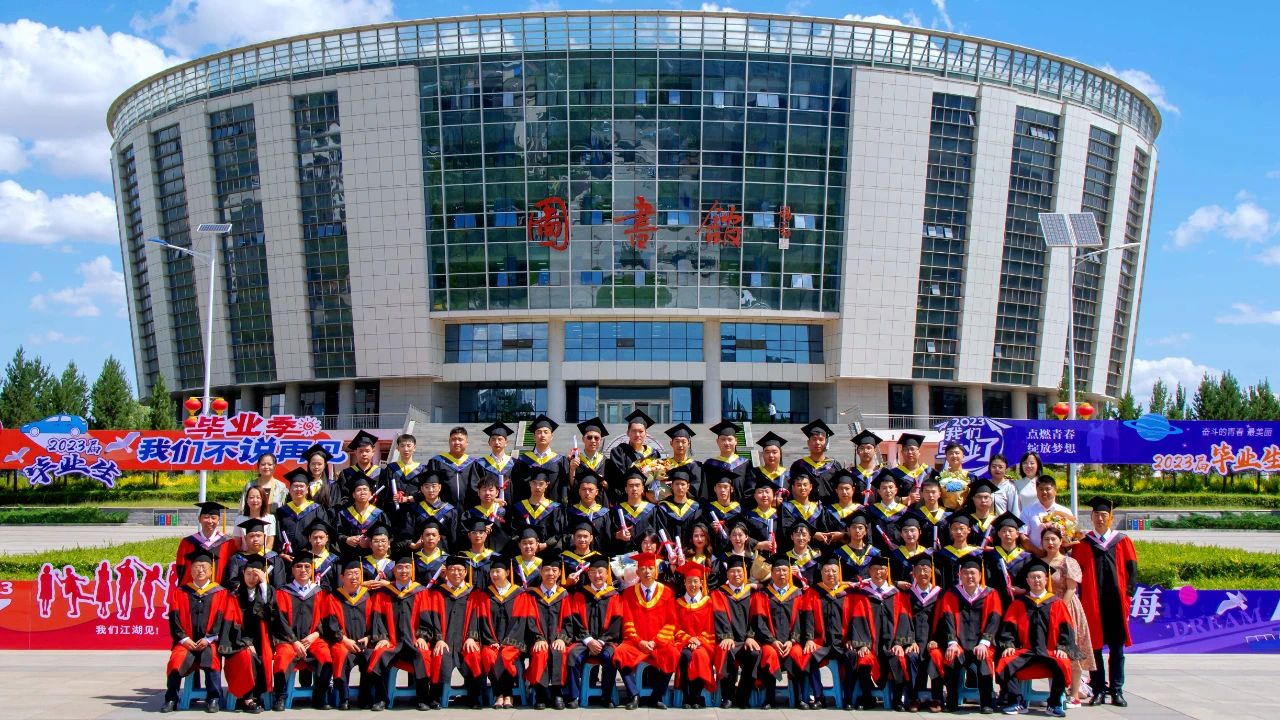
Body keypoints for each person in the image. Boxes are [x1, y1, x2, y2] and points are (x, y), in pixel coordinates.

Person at [1072, 495, 1138, 708]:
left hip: (1116, 603)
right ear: (1091, 517)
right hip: (1092, 603)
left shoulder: (1122, 541)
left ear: (1111, 518)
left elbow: (1132, 570)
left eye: (1104, 515)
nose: (1100, 519)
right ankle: (1098, 689)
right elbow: (1076, 573)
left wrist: (1128, 595)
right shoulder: (1083, 543)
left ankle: (1117, 690)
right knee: (1095, 649)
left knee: (1117, 649)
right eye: (1096, 515)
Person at [996, 558, 1075, 717]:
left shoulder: (1057, 603)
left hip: (1050, 651)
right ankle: (1016, 701)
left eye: (1039, 577)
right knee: (1005, 661)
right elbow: (1008, 629)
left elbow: (1067, 629)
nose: (1036, 580)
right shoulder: (1019, 604)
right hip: (1026, 651)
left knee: (1063, 662)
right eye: (1032, 577)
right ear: (1027, 581)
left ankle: (1054, 704)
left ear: (1046, 579)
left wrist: (1062, 648)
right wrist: (1008, 645)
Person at [369, 552, 444, 712]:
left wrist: (423, 637)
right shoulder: (384, 593)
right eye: (400, 568)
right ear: (394, 571)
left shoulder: (421, 592)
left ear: (412, 570)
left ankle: (422, 698)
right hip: (392, 642)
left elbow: (426, 618)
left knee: (423, 655)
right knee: (378, 655)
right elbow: (378, 619)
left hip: (413, 641)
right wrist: (382, 638)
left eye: (407, 567)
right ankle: (381, 698)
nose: (403, 571)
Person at [161, 548, 229, 714]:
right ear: (190, 570)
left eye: (204, 567)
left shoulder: (220, 592)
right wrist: (184, 639)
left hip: (209, 641)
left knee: (212, 660)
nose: (200, 570)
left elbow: (221, 619)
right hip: (186, 642)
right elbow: (174, 619)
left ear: (211, 570)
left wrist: (209, 638)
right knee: (175, 661)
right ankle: (171, 698)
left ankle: (213, 698)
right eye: (197, 567)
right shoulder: (180, 592)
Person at [935, 555, 1002, 713]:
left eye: (973, 573)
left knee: (984, 659)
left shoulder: (990, 594)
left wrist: (984, 643)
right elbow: (948, 619)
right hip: (959, 644)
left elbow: (994, 619)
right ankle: (951, 701)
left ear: (980, 575)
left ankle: (986, 702)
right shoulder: (951, 594)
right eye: (965, 573)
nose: (969, 576)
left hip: (982, 643)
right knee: (951, 657)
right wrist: (952, 642)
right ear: (960, 575)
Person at [614, 551, 680, 709]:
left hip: (660, 643)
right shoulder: (629, 593)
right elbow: (628, 622)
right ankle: (633, 694)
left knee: (673, 654)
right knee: (620, 653)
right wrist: (640, 642)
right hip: (636, 643)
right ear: (637, 572)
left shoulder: (667, 592)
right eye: (643, 569)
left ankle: (656, 697)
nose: (647, 572)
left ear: (656, 571)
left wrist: (655, 642)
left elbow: (671, 623)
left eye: (650, 568)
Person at [270, 550, 334, 711]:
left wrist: (316, 634)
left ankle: (320, 697)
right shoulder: (283, 592)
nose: (303, 570)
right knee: (282, 657)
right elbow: (280, 620)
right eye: (299, 566)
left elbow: (326, 620)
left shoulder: (320, 592)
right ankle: (280, 696)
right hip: (288, 640)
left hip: (313, 639)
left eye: (307, 566)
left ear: (312, 569)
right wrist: (294, 641)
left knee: (326, 656)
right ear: (292, 570)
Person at [845, 555, 911, 710]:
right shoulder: (862, 595)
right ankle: (867, 698)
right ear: (869, 572)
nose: (878, 573)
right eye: (875, 569)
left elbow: (904, 620)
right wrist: (862, 644)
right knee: (863, 658)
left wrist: (899, 643)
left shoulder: (897, 594)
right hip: (870, 645)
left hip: (892, 644)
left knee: (899, 657)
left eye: (882, 569)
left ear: (887, 572)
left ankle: (897, 700)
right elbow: (858, 619)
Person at [322, 558, 389, 710]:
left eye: (357, 574)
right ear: (342, 577)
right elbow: (330, 624)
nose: (354, 577)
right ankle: (343, 698)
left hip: (366, 642)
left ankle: (365, 697)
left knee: (372, 656)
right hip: (343, 642)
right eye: (350, 574)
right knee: (340, 655)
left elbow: (377, 621)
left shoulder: (369, 596)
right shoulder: (333, 597)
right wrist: (344, 640)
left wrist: (369, 637)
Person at [462, 554, 527, 710]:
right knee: (488, 655)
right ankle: (499, 694)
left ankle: (508, 693)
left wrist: (506, 642)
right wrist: (490, 641)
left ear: (507, 573)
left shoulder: (519, 594)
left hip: (513, 642)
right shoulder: (484, 595)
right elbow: (479, 619)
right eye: (492, 572)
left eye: (498, 571)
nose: (494, 575)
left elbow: (521, 623)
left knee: (505, 656)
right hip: (490, 641)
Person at [750, 554, 815, 709]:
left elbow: (802, 621)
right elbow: (759, 622)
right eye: (778, 570)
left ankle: (799, 698)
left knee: (798, 654)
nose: (781, 574)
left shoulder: (798, 594)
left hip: (792, 642)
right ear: (772, 574)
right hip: (770, 642)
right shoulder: (763, 595)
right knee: (769, 654)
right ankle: (769, 698)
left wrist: (792, 641)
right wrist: (772, 641)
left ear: (789, 573)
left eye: (785, 570)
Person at [1042, 524, 1095, 707]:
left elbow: (1071, 589)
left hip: (1067, 608)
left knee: (1072, 649)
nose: (1050, 543)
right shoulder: (1038, 562)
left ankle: (1074, 694)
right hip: (1045, 610)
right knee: (1053, 652)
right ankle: (1057, 692)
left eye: (1053, 539)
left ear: (1061, 541)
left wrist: (1060, 610)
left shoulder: (1068, 562)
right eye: (1046, 539)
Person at [517, 554, 576, 709]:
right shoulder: (532, 595)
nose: (551, 573)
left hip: (558, 638)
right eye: (547, 570)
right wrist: (538, 638)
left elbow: (568, 622)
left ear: (559, 573)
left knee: (559, 651)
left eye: (554, 570)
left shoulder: (563, 595)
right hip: (537, 639)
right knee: (540, 652)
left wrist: (562, 638)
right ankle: (541, 692)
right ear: (541, 572)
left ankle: (557, 692)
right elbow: (529, 621)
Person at [219, 555, 274, 714]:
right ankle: (249, 698)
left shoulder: (267, 592)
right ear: (242, 573)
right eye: (248, 573)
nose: (251, 578)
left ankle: (257, 694)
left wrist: (264, 585)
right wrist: (246, 643)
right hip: (237, 642)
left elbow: (270, 614)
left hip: (262, 641)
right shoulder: (234, 595)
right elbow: (231, 624)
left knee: (262, 657)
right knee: (247, 657)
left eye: (256, 575)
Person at [567, 556, 623, 709]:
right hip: (583, 640)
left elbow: (616, 622)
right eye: (592, 572)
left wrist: (601, 641)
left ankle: (606, 695)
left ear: (607, 574)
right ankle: (573, 696)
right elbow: (575, 620)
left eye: (600, 572)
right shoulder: (580, 594)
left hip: (607, 641)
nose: (597, 575)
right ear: (588, 574)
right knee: (572, 656)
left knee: (609, 657)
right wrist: (588, 640)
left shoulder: (614, 595)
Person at [804, 554, 856, 709]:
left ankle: (848, 698)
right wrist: (809, 639)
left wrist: (852, 639)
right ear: (821, 573)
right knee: (809, 656)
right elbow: (808, 617)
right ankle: (819, 697)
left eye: (834, 571)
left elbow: (854, 620)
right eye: (826, 571)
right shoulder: (813, 592)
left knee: (852, 656)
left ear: (839, 573)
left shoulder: (848, 593)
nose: (830, 574)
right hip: (822, 643)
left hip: (842, 642)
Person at [431, 553, 482, 707]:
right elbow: (432, 617)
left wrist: (471, 637)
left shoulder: (473, 593)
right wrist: (439, 639)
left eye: (460, 570)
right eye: (452, 569)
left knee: (474, 655)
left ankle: (475, 697)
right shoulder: (437, 592)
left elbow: (477, 617)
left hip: (465, 640)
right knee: (439, 655)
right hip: (444, 640)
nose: (456, 573)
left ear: (465, 572)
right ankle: (435, 696)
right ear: (446, 572)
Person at [711, 555, 759, 708]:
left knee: (755, 654)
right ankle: (728, 696)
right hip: (728, 639)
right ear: (727, 574)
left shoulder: (753, 594)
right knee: (725, 651)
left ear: (745, 573)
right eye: (732, 571)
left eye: (739, 571)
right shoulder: (719, 593)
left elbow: (757, 618)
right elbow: (720, 616)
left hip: (746, 640)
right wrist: (726, 636)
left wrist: (751, 636)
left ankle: (743, 696)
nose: (736, 574)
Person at [902, 553, 945, 713]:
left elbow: (945, 620)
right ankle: (914, 698)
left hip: (933, 640)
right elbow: (903, 619)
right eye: (919, 570)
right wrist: (909, 641)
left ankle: (937, 698)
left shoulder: (940, 594)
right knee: (912, 656)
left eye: (926, 569)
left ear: (931, 572)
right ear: (913, 573)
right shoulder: (907, 595)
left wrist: (937, 640)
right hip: (914, 641)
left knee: (936, 656)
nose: (922, 573)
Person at [673, 562, 717, 708]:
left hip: (704, 643)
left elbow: (710, 627)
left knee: (699, 655)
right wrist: (688, 639)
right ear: (684, 583)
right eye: (689, 581)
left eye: (695, 581)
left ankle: (696, 695)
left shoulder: (708, 602)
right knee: (685, 655)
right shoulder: (678, 603)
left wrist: (697, 640)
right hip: (683, 643)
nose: (692, 585)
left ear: (701, 583)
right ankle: (687, 696)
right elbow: (675, 627)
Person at [605, 410, 661, 506]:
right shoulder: (619, 452)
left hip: (649, 503)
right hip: (626, 502)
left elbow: (656, 479)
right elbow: (619, 479)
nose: (637, 434)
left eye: (641, 431)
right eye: (634, 431)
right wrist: (643, 492)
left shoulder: (654, 453)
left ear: (646, 433)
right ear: (627, 433)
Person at [175, 501, 237, 586]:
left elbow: (232, 569)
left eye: (213, 518)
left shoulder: (229, 543)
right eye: (206, 517)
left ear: (218, 520)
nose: (210, 521)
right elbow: (180, 568)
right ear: (199, 519)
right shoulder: (187, 542)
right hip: (192, 590)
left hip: (219, 589)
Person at [514, 415, 571, 505]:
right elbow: (516, 486)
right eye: (539, 432)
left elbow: (564, 488)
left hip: (553, 509)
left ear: (551, 436)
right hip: (527, 509)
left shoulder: (560, 461)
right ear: (534, 437)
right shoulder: (523, 460)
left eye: (546, 432)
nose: (542, 435)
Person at [400, 469, 458, 557]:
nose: (431, 490)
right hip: (420, 557)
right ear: (422, 489)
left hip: (444, 556)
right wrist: (412, 545)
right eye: (427, 487)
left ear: (440, 487)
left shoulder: (450, 511)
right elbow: (406, 535)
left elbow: (454, 537)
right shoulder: (413, 510)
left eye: (434, 486)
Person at [222, 518, 287, 592]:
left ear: (264, 537)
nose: (255, 539)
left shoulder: (274, 559)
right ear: (245, 538)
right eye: (251, 536)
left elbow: (279, 585)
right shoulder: (237, 559)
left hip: (268, 597)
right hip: (242, 596)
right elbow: (231, 582)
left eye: (258, 536)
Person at [984, 511, 1032, 608]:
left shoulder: (1026, 557)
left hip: (1020, 602)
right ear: (998, 534)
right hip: (995, 602)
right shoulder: (990, 556)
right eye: (1004, 531)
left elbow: (1029, 582)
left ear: (1017, 534)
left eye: (1010, 531)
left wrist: (1023, 590)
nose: (1007, 534)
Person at [275, 468, 324, 561]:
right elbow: (278, 534)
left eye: (301, 486)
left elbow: (321, 533)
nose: (298, 489)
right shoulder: (282, 511)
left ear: (307, 489)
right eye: (295, 486)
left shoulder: (316, 509)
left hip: (310, 556)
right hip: (287, 558)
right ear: (290, 489)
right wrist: (281, 553)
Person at [509, 469, 563, 552]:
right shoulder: (519, 507)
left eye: (541, 484)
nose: (537, 487)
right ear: (530, 483)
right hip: (524, 551)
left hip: (547, 552)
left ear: (547, 484)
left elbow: (558, 533)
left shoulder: (554, 508)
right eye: (534, 483)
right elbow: (513, 531)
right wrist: (523, 544)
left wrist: (546, 544)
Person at [334, 476, 389, 557]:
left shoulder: (379, 514)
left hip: (373, 558)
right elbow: (336, 534)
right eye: (359, 490)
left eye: (365, 489)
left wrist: (370, 542)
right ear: (353, 495)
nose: (362, 492)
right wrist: (346, 539)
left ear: (370, 493)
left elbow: (388, 536)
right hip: (350, 557)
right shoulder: (344, 514)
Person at [382, 433, 429, 526]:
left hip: (416, 513)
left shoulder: (422, 469)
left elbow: (426, 492)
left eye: (409, 445)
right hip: (394, 514)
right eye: (402, 446)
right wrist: (393, 497)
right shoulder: (391, 468)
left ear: (414, 448)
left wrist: (409, 498)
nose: (406, 449)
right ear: (397, 448)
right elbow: (385, 492)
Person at [789, 419, 842, 500]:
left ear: (826, 442)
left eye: (821, 439)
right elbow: (792, 490)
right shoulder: (798, 465)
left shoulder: (834, 465)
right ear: (808, 442)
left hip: (829, 507)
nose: (817, 442)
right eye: (814, 439)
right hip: (805, 507)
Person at [702, 420, 753, 503]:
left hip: (741, 509)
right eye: (723, 439)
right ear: (717, 441)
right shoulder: (709, 465)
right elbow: (705, 490)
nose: (726, 443)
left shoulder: (745, 464)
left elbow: (750, 490)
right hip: (715, 509)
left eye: (730, 439)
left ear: (736, 441)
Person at [1018, 474, 1073, 550]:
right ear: (1036, 491)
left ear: (1055, 491)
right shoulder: (1027, 511)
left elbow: (1072, 536)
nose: (1044, 492)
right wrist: (1037, 552)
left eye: (1047, 489)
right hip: (1035, 555)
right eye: (1041, 489)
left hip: (1060, 554)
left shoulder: (1065, 511)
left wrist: (1062, 551)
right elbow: (1022, 535)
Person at [427, 427, 476, 509]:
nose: (456, 442)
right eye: (453, 439)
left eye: (460, 439)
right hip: (443, 509)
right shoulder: (437, 461)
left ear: (467, 442)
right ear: (449, 442)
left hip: (469, 510)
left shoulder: (474, 463)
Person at [612, 469, 658, 555]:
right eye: (631, 486)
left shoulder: (652, 509)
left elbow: (657, 533)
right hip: (625, 555)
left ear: (642, 488)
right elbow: (609, 534)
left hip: (646, 555)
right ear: (626, 489)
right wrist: (617, 535)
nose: (634, 489)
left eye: (637, 485)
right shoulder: (617, 510)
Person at [879, 433, 936, 503]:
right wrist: (904, 499)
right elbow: (884, 497)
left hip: (926, 509)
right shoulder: (893, 473)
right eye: (906, 449)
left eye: (912, 449)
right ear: (902, 452)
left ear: (919, 452)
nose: (909, 452)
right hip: (902, 509)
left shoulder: (930, 472)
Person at [933, 513, 981, 590]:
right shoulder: (942, 554)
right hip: (949, 594)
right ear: (950, 531)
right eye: (955, 528)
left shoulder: (977, 554)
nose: (958, 532)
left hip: (972, 595)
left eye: (962, 528)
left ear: (969, 530)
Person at [657, 466, 702, 544]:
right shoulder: (663, 507)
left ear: (688, 487)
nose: (680, 487)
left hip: (691, 548)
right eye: (677, 484)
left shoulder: (696, 507)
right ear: (672, 486)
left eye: (683, 484)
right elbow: (661, 530)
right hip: (671, 548)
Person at [778, 473, 822, 551]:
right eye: (799, 485)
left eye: (805, 485)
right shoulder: (786, 507)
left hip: (815, 552)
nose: (802, 488)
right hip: (793, 552)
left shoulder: (819, 508)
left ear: (810, 487)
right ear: (793, 488)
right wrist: (813, 534)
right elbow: (786, 531)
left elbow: (824, 530)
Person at [563, 474, 610, 548]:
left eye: (590, 489)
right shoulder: (571, 512)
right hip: (575, 553)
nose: (587, 493)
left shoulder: (604, 513)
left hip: (598, 552)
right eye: (584, 489)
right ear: (579, 491)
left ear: (596, 492)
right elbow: (564, 535)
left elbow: (608, 537)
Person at [475, 422, 517, 506]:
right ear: (489, 443)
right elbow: (476, 487)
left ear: (506, 443)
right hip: (488, 507)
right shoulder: (480, 464)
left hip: (511, 508)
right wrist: (493, 500)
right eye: (493, 439)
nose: (497, 442)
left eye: (500, 439)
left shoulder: (515, 463)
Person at [337, 431, 381, 510]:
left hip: (375, 514)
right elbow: (343, 497)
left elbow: (384, 497)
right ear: (355, 452)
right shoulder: (346, 473)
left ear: (373, 452)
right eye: (361, 451)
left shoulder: (381, 473)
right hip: (352, 514)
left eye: (367, 451)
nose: (364, 454)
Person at [832, 510, 880, 582]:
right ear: (848, 530)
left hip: (869, 588)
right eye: (854, 527)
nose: (857, 531)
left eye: (860, 528)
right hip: (848, 588)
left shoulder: (874, 553)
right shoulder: (839, 553)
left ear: (866, 531)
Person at [866, 474, 908, 553]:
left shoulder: (904, 511)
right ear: (879, 491)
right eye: (884, 488)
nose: (888, 491)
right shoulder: (871, 510)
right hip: (878, 554)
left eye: (891, 487)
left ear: (896, 490)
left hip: (899, 554)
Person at [663, 423, 705, 501]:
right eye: (677, 441)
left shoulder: (696, 466)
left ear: (688, 444)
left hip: (689, 505)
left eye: (683, 442)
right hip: (666, 504)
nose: (680, 445)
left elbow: (697, 489)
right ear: (671, 443)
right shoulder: (663, 465)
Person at [570, 417, 609, 499]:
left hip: (601, 503)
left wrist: (606, 484)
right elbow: (570, 485)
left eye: (596, 438)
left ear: (600, 440)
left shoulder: (606, 461)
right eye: (589, 437)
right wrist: (572, 469)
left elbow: (611, 488)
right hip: (579, 503)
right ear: (583, 439)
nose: (593, 440)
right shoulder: (574, 460)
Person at [907, 476, 950, 550]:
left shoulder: (948, 515)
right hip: (923, 554)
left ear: (939, 494)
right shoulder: (916, 515)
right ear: (921, 494)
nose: (930, 495)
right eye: (927, 492)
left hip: (945, 554)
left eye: (933, 492)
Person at [749, 431, 790, 509]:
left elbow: (792, 499)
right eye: (767, 452)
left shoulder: (788, 475)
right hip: (760, 514)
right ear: (762, 454)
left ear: (780, 454)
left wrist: (780, 503)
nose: (771, 455)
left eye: (774, 452)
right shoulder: (755, 473)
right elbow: (748, 496)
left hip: (783, 514)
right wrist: (767, 502)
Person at [233, 485, 276, 553]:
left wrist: (260, 556)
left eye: (258, 497)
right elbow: (237, 544)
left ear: (263, 500)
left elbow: (269, 544)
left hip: (264, 556)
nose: (255, 500)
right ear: (247, 500)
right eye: (251, 497)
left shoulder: (270, 518)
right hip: (245, 556)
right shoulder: (239, 519)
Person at [963, 477, 1001, 547]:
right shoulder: (966, 521)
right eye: (979, 497)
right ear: (973, 499)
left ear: (991, 499)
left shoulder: (998, 522)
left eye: (986, 497)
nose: (983, 500)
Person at [848, 429, 884, 504]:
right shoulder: (851, 473)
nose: (865, 451)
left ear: (875, 451)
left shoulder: (881, 473)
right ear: (857, 451)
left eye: (869, 448)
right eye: (862, 448)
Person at [299, 444, 338, 510]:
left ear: (324, 465)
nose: (316, 467)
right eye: (313, 464)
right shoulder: (302, 485)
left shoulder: (332, 485)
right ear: (309, 465)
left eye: (319, 464)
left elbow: (335, 508)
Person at [359, 526, 396, 590]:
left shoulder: (395, 564)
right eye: (376, 541)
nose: (380, 544)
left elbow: (403, 583)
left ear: (389, 544)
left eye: (383, 541)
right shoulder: (362, 564)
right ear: (370, 544)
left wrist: (389, 584)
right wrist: (363, 584)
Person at [937, 442, 971, 510]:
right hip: (944, 513)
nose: (954, 455)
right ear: (946, 457)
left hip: (964, 513)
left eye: (957, 453)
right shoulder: (939, 477)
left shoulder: (971, 477)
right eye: (950, 453)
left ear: (963, 456)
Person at [1013, 451, 1046, 516]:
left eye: (1032, 463)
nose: (1028, 466)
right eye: (1025, 463)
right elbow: (1016, 508)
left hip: (1043, 518)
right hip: (1024, 519)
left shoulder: (1045, 482)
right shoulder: (1016, 484)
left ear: (1038, 465)